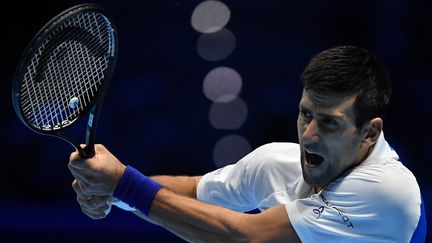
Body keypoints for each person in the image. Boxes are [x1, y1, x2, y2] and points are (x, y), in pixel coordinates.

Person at [68, 45, 426, 242]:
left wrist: (123, 184)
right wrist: (111, 190)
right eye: (305, 114)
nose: (309, 134)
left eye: (330, 123)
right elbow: (194, 194)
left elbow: (245, 237)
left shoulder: (390, 190)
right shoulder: (277, 164)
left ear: (370, 133)